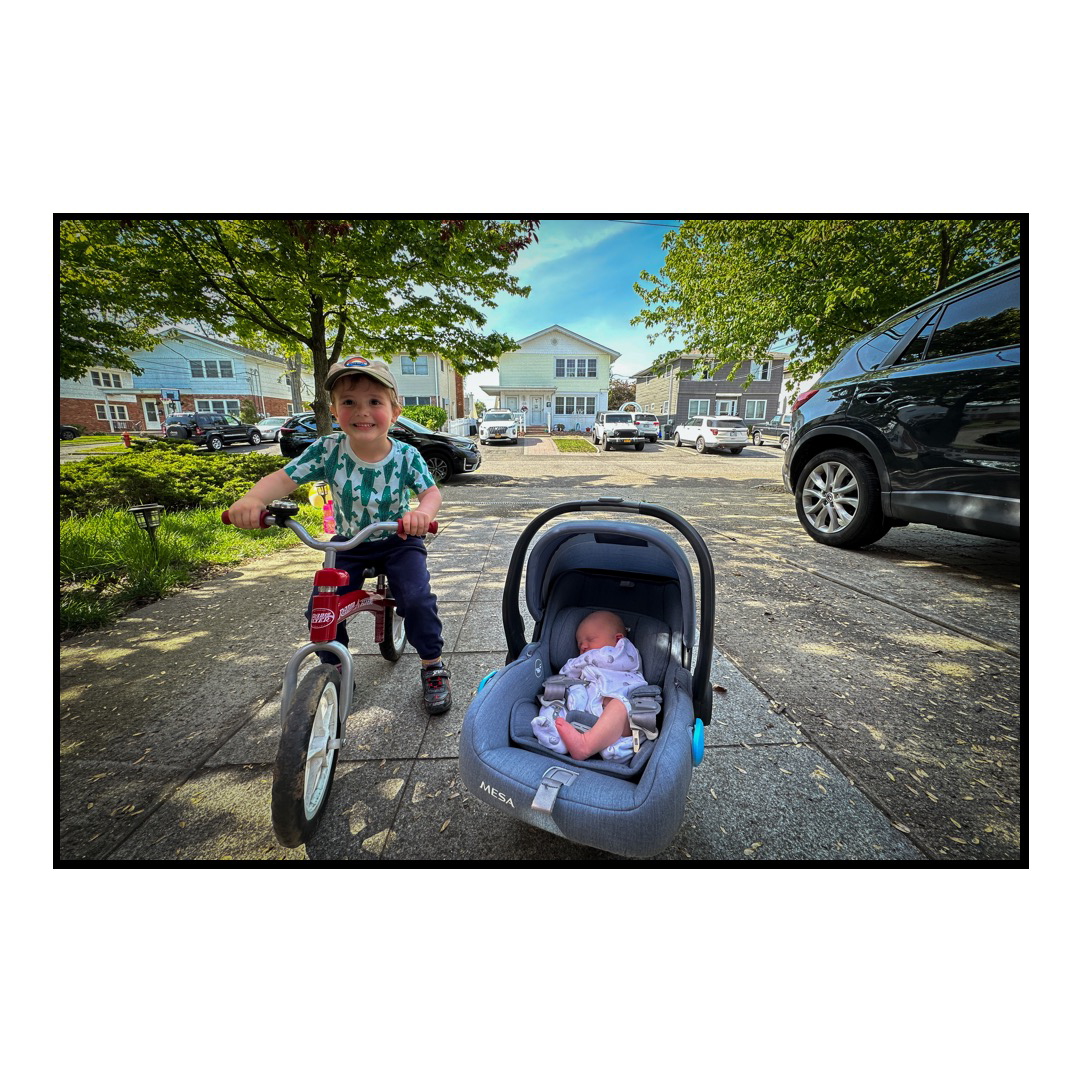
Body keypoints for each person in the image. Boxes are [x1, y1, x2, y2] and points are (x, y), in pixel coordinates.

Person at [225, 355, 451, 715]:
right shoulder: (328, 450)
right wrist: (253, 499)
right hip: (348, 543)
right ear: (334, 410)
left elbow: (431, 493)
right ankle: (334, 666)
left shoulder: (407, 456)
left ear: (394, 411)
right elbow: (283, 479)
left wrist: (422, 514)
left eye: (374, 402)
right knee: (321, 608)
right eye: (349, 402)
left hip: (398, 539)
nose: (362, 412)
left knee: (417, 598)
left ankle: (433, 665)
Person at [530, 610, 646, 762]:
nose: (583, 646)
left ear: (618, 640)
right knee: (558, 697)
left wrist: (580, 661)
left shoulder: (625, 653)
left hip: (620, 717)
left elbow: (600, 659)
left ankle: (585, 746)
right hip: (585, 709)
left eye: (590, 639)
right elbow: (566, 675)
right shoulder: (586, 666)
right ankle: (556, 737)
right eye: (579, 644)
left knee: (618, 706)